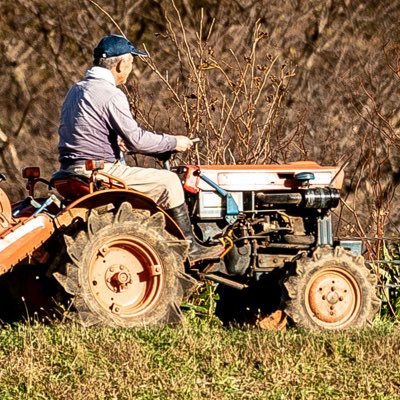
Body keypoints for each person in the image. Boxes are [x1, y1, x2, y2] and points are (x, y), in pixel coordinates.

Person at [55, 34, 222, 263]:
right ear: (122, 64)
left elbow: (85, 132)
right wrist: (175, 142)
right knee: (170, 182)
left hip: (69, 171)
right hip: (98, 171)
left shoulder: (75, 90)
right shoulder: (111, 94)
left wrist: (115, 143)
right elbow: (137, 140)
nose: (131, 69)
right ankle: (190, 247)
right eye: (132, 64)